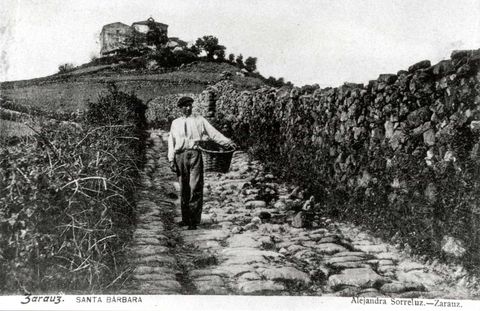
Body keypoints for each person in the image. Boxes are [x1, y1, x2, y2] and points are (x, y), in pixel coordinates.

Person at [168, 96, 237, 230]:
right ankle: (185, 219)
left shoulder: (199, 120)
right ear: (180, 108)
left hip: (195, 154)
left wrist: (227, 142)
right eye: (185, 106)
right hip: (180, 156)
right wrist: (171, 159)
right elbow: (171, 142)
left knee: (195, 186)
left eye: (190, 105)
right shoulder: (175, 123)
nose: (188, 108)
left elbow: (213, 133)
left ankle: (194, 220)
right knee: (184, 187)